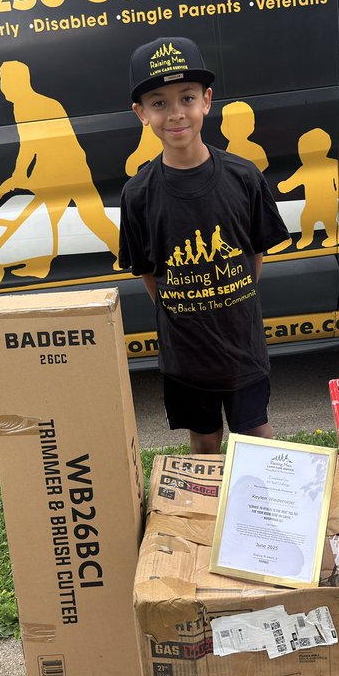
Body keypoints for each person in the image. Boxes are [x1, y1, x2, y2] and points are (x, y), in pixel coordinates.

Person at [119, 37, 289, 455]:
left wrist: (231, 296)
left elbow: (257, 251)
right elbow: (145, 268)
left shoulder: (243, 176)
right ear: (141, 113)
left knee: (257, 438)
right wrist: (184, 308)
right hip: (185, 357)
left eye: (187, 98)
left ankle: (261, 519)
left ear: (207, 101)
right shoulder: (137, 194)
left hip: (243, 349)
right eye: (158, 103)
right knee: (205, 443)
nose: (176, 113)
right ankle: (210, 519)